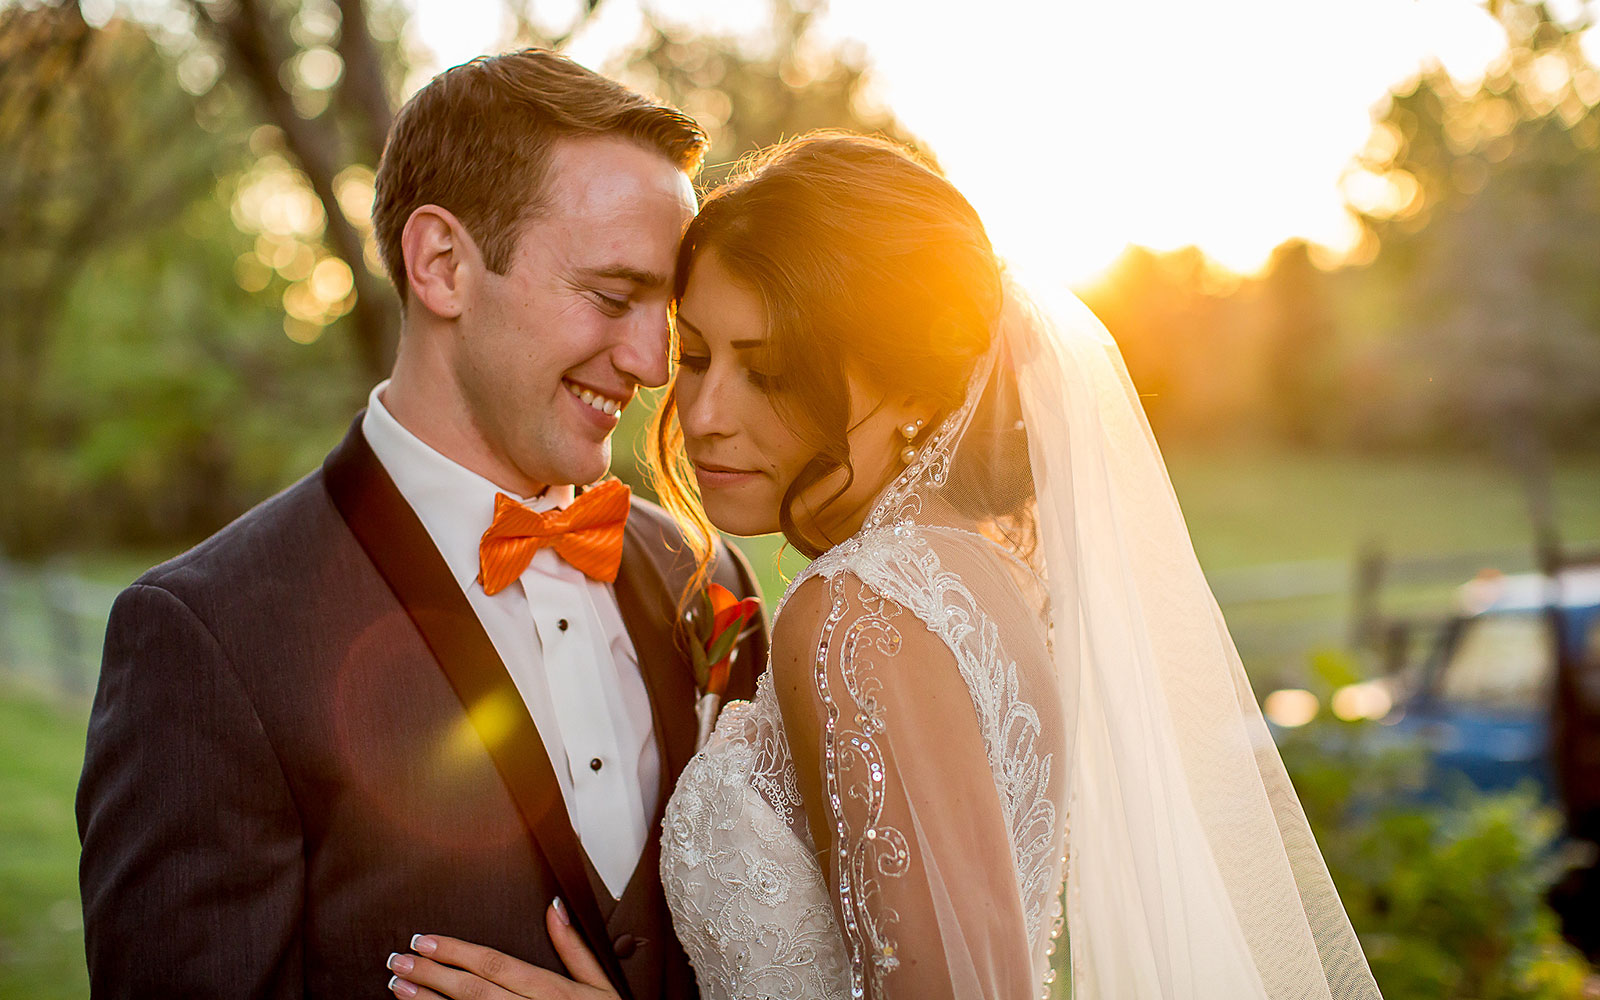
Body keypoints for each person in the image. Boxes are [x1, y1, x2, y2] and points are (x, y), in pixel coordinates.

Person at [380, 132, 1387, 1000]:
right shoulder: (988, 576)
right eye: (695, 355)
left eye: (772, 371)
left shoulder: (854, 613)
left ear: (910, 388)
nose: (706, 411)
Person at [75, 49, 766, 999]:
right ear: (442, 264)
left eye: (668, 311)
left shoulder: (707, 573)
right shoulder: (205, 639)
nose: (654, 362)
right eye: (613, 297)